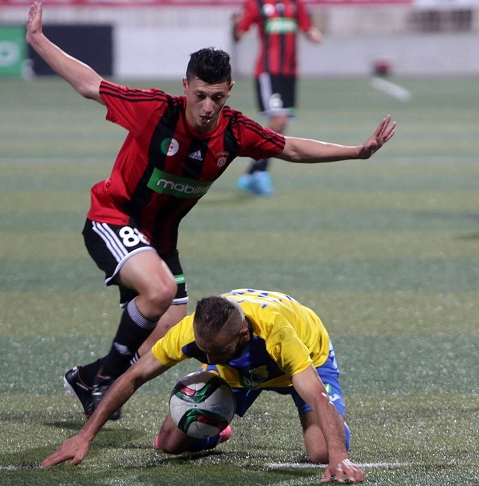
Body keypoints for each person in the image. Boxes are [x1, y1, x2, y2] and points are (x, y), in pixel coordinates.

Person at [26, 1, 395, 420]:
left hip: (162, 239)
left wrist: (357, 152)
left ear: (229, 93)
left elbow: (290, 146)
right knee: (161, 291)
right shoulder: (154, 110)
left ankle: (88, 376)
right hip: (114, 217)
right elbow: (90, 84)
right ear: (185, 86)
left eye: (216, 98)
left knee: (172, 325)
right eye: (199, 95)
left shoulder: (235, 130)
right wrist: (38, 39)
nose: (206, 107)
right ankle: (105, 380)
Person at [41, 289, 366, 484]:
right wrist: (84, 436)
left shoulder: (278, 334)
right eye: (203, 349)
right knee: (169, 443)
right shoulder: (194, 333)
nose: (207, 357)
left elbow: (316, 394)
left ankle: (337, 436)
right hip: (238, 367)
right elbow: (132, 377)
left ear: (242, 335)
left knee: (322, 452)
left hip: (308, 358)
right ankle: (217, 426)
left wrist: (339, 456)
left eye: (216, 351)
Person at [233, 0, 323, 196]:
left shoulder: (296, 4)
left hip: (289, 73)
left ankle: (253, 174)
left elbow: (308, 28)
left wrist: (314, 33)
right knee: (278, 120)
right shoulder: (256, 4)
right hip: (268, 71)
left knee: (281, 125)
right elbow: (239, 34)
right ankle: (258, 174)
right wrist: (236, 24)